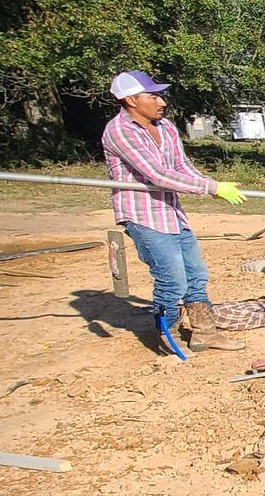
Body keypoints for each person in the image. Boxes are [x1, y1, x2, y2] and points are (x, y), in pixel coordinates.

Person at [100, 71, 248, 353]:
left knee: (195, 275)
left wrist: (211, 186)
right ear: (131, 100)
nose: (161, 101)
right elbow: (156, 175)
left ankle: (205, 333)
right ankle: (167, 336)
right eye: (152, 95)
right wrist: (210, 187)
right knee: (172, 279)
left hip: (171, 211)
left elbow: (181, 167)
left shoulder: (165, 126)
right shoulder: (120, 130)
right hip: (143, 214)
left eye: (160, 95)